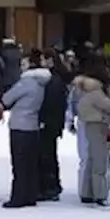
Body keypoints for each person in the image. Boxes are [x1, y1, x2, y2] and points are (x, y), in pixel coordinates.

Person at [2, 52, 51, 209]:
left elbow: (6, 99)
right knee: (30, 163)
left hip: (19, 125)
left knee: (19, 163)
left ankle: (18, 197)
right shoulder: (42, 82)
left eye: (23, 64)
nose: (21, 68)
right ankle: (30, 194)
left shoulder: (26, 82)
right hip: (33, 125)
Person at [75, 64, 110, 208]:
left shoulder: (83, 91)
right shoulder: (97, 93)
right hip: (98, 125)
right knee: (100, 161)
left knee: (91, 159)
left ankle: (87, 192)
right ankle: (100, 195)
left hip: (88, 125)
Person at [38, 52, 69, 202]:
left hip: (49, 122)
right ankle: (51, 186)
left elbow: (51, 103)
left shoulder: (53, 80)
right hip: (54, 122)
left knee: (47, 155)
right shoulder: (57, 78)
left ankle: (50, 187)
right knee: (49, 154)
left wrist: (43, 118)